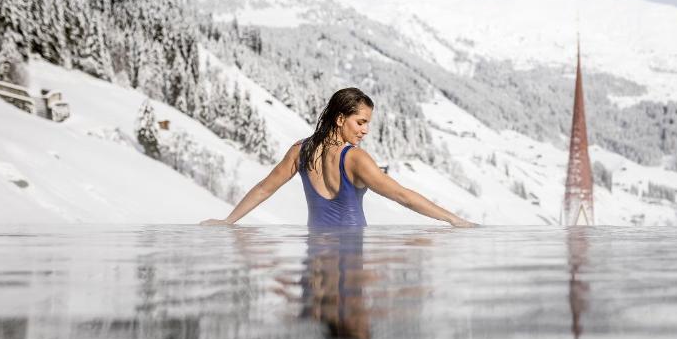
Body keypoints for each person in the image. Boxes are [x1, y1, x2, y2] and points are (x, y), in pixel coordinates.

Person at [200, 87, 475, 227]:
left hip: (316, 251)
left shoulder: (300, 150)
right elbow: (403, 196)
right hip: (352, 251)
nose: (365, 130)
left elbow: (264, 188)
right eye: (361, 122)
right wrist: (453, 219)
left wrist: (228, 221)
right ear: (340, 118)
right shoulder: (355, 159)